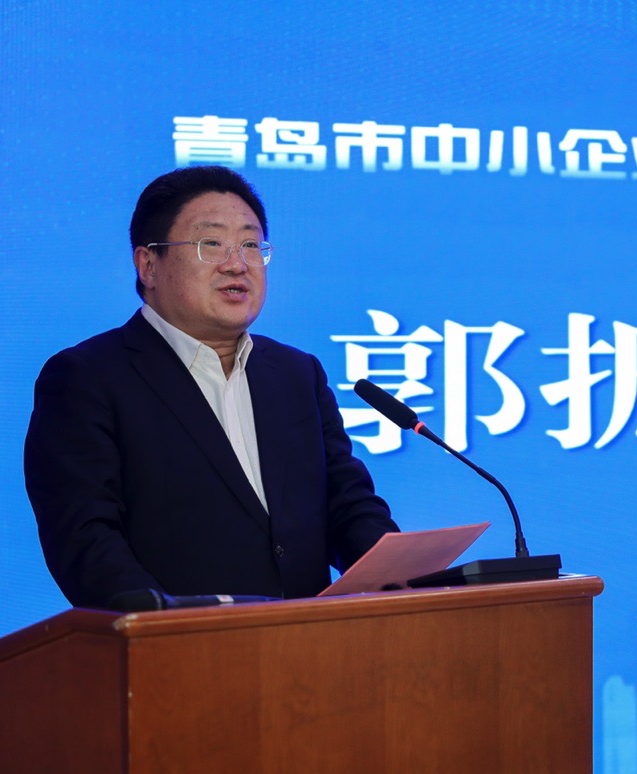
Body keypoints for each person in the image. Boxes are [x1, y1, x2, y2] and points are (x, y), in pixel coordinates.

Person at [24, 166, 398, 608]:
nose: (237, 264)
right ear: (148, 265)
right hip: (181, 644)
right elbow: (85, 540)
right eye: (211, 244)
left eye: (250, 245)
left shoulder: (297, 374)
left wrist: (405, 576)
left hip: (309, 641)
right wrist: (167, 624)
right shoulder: (87, 377)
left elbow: (347, 506)